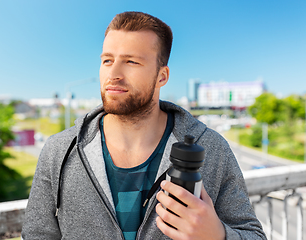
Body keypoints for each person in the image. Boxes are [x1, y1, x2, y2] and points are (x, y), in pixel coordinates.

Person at [22, 11, 266, 240]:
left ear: (162, 76)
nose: (114, 73)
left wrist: (218, 235)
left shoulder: (212, 148)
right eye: (107, 60)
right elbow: (37, 235)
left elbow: (253, 234)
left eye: (131, 62)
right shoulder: (59, 150)